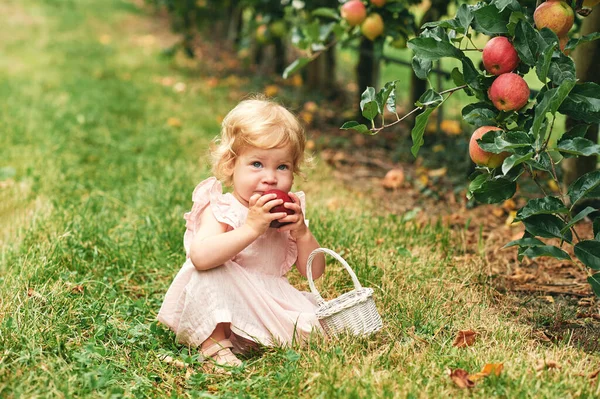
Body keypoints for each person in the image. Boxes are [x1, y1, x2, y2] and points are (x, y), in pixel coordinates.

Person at [157, 97, 326, 372]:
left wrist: (302, 233)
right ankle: (214, 345)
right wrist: (251, 228)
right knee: (211, 271)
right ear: (230, 166)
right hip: (222, 303)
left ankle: (256, 336)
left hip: (266, 300)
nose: (270, 177)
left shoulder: (286, 213)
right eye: (257, 164)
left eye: (282, 166)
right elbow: (200, 258)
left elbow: (314, 273)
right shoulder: (222, 208)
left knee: (317, 327)